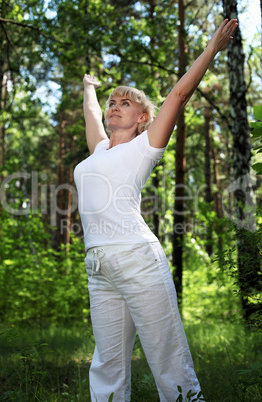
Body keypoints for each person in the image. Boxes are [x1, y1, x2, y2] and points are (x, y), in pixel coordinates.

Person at [74, 19, 238, 402]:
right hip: (98, 266)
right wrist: (89, 88)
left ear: (143, 118)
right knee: (107, 362)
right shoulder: (99, 150)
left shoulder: (145, 146)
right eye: (113, 103)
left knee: (167, 357)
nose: (115, 107)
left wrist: (212, 48)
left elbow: (179, 95)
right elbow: (91, 115)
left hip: (137, 259)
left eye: (125, 103)